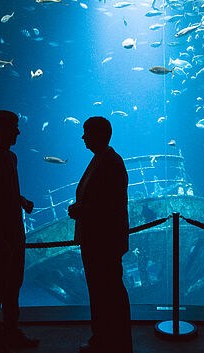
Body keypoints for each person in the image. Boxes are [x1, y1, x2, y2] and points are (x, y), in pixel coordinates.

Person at [0, 110, 39, 353]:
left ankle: (11, 331)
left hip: (16, 231)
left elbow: (5, 190)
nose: (18, 131)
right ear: (0, 130)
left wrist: (21, 200)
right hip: (0, 234)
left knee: (14, 285)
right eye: (14, 126)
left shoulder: (11, 157)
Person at [68, 116, 132, 353]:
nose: (83, 136)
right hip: (96, 240)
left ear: (99, 134)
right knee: (100, 291)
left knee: (109, 291)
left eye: (86, 132)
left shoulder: (111, 162)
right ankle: (103, 337)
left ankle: (114, 341)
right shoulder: (101, 159)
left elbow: (109, 205)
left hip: (104, 242)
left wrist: (81, 209)